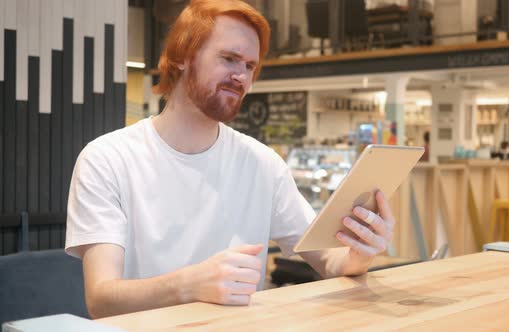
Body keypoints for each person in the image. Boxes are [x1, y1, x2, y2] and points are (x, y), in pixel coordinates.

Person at [65, 0, 394, 319]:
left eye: (250, 66)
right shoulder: (107, 159)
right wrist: (189, 285)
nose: (242, 77)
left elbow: (330, 263)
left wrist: (358, 254)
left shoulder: (262, 164)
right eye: (229, 58)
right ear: (182, 57)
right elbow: (101, 299)